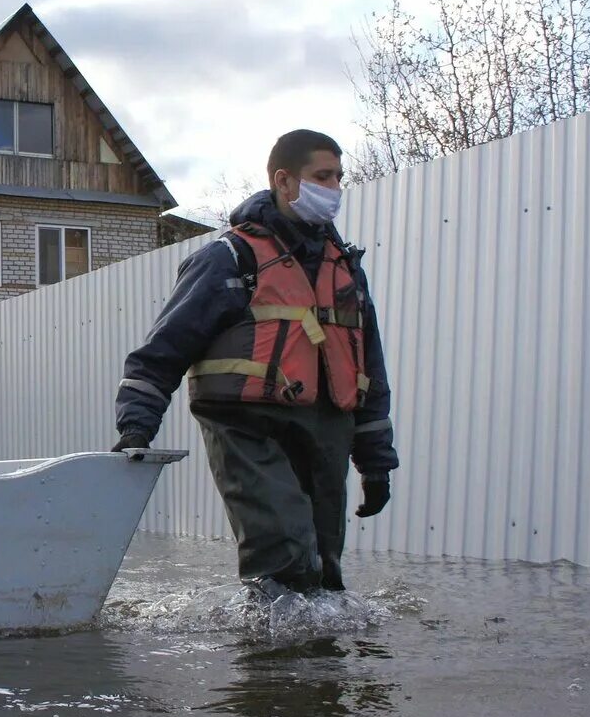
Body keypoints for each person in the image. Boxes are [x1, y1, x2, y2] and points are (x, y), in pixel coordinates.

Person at [112, 129, 397, 594]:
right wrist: (135, 428)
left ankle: (317, 665)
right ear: (284, 182)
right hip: (247, 426)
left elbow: (371, 368)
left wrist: (376, 463)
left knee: (324, 569)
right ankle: (271, 663)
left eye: (339, 178)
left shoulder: (344, 268)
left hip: (326, 427)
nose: (335, 189)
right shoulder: (229, 259)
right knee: (284, 553)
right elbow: (162, 351)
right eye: (322, 177)